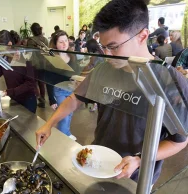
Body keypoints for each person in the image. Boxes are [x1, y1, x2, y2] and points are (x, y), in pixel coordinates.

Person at [36, 0, 187, 185]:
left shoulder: (169, 81)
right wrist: (49, 124)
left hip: (138, 176)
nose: (107, 54)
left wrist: (140, 159)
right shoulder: (103, 69)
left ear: (143, 35)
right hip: (98, 163)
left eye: (114, 47)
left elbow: (179, 141)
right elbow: (75, 98)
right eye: (104, 46)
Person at [44, 30, 78, 140]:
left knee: (70, 113)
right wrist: (51, 99)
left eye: (65, 41)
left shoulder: (72, 55)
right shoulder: (53, 58)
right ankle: (64, 138)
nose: (64, 44)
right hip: (59, 90)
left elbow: (76, 71)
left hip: (71, 89)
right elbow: (48, 79)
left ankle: (66, 132)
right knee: (64, 115)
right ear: (55, 44)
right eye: (60, 42)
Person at [27, 23, 49, 108]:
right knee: (41, 83)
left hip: (34, 64)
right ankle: (42, 100)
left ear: (32, 31)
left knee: (33, 82)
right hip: (43, 64)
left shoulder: (30, 40)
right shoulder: (45, 39)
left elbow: (29, 54)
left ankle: (37, 97)